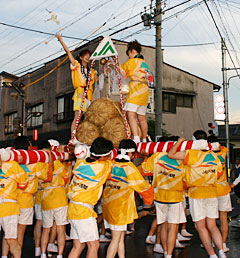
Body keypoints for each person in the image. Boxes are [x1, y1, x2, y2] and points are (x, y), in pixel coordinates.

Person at [168, 131, 227, 258]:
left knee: (201, 227)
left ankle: (212, 255)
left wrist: (179, 142)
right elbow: (219, 173)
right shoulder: (214, 156)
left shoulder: (192, 154)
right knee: (212, 225)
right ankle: (221, 252)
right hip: (212, 192)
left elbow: (171, 154)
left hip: (196, 193)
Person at [103, 139, 154, 258]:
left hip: (108, 206)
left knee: (120, 237)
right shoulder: (129, 168)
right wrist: (148, 205)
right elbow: (144, 188)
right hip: (120, 209)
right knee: (115, 240)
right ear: (130, 153)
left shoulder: (111, 163)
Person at [67, 137, 113, 258]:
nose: (109, 157)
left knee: (78, 246)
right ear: (103, 156)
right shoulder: (103, 167)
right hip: (84, 212)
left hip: (73, 208)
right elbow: (109, 171)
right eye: (108, 155)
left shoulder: (80, 162)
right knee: (94, 245)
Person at [141, 137, 186, 258]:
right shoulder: (182, 157)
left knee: (163, 225)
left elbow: (144, 171)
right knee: (173, 228)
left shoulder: (156, 156)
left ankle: (166, 251)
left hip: (160, 196)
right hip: (175, 196)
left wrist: (145, 157)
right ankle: (169, 255)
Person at [55, 33, 97, 138]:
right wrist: (61, 40)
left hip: (89, 95)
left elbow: (97, 80)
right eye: (86, 56)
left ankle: (86, 135)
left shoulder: (91, 71)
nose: (88, 58)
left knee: (88, 117)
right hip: (80, 92)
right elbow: (69, 53)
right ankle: (73, 136)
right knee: (78, 116)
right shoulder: (76, 66)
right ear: (81, 57)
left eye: (89, 56)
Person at [39, 141, 70, 258]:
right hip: (60, 199)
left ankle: (42, 253)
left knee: (46, 229)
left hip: (46, 200)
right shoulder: (60, 165)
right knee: (61, 228)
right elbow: (67, 178)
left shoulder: (40, 165)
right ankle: (60, 255)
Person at [120, 40, 151, 143]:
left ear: (132, 51)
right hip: (145, 90)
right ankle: (145, 138)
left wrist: (113, 65)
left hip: (135, 88)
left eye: (129, 54)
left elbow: (123, 74)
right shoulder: (145, 63)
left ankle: (136, 137)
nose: (129, 56)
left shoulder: (131, 62)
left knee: (131, 114)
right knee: (142, 117)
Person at [0, 151, 29, 258]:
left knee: (8, 237)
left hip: (7, 207)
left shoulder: (11, 165)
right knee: (10, 238)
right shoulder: (12, 165)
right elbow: (23, 183)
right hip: (9, 207)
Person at [208, 135, 231, 253]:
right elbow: (223, 147)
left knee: (211, 220)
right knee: (223, 218)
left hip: (211, 189)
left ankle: (212, 242)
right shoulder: (224, 152)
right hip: (223, 188)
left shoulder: (206, 155)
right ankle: (223, 243)